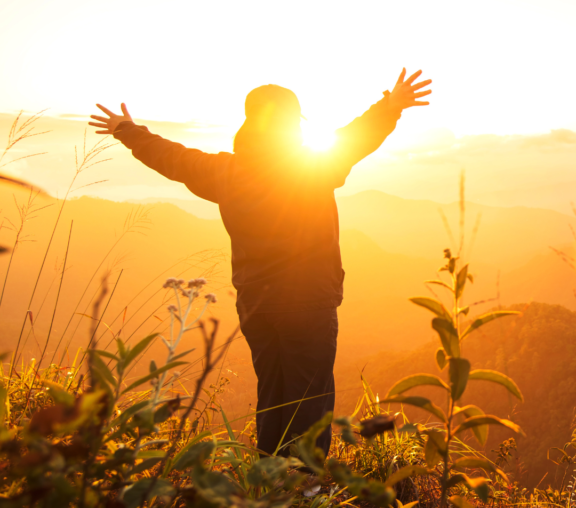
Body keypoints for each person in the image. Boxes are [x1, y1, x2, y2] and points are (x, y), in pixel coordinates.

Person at [89, 69, 431, 458]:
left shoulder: (224, 171)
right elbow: (356, 137)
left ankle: (267, 476)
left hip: (256, 304)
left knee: (272, 392)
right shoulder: (312, 165)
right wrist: (390, 106)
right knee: (310, 397)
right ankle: (304, 486)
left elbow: (171, 157)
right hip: (308, 301)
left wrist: (127, 130)